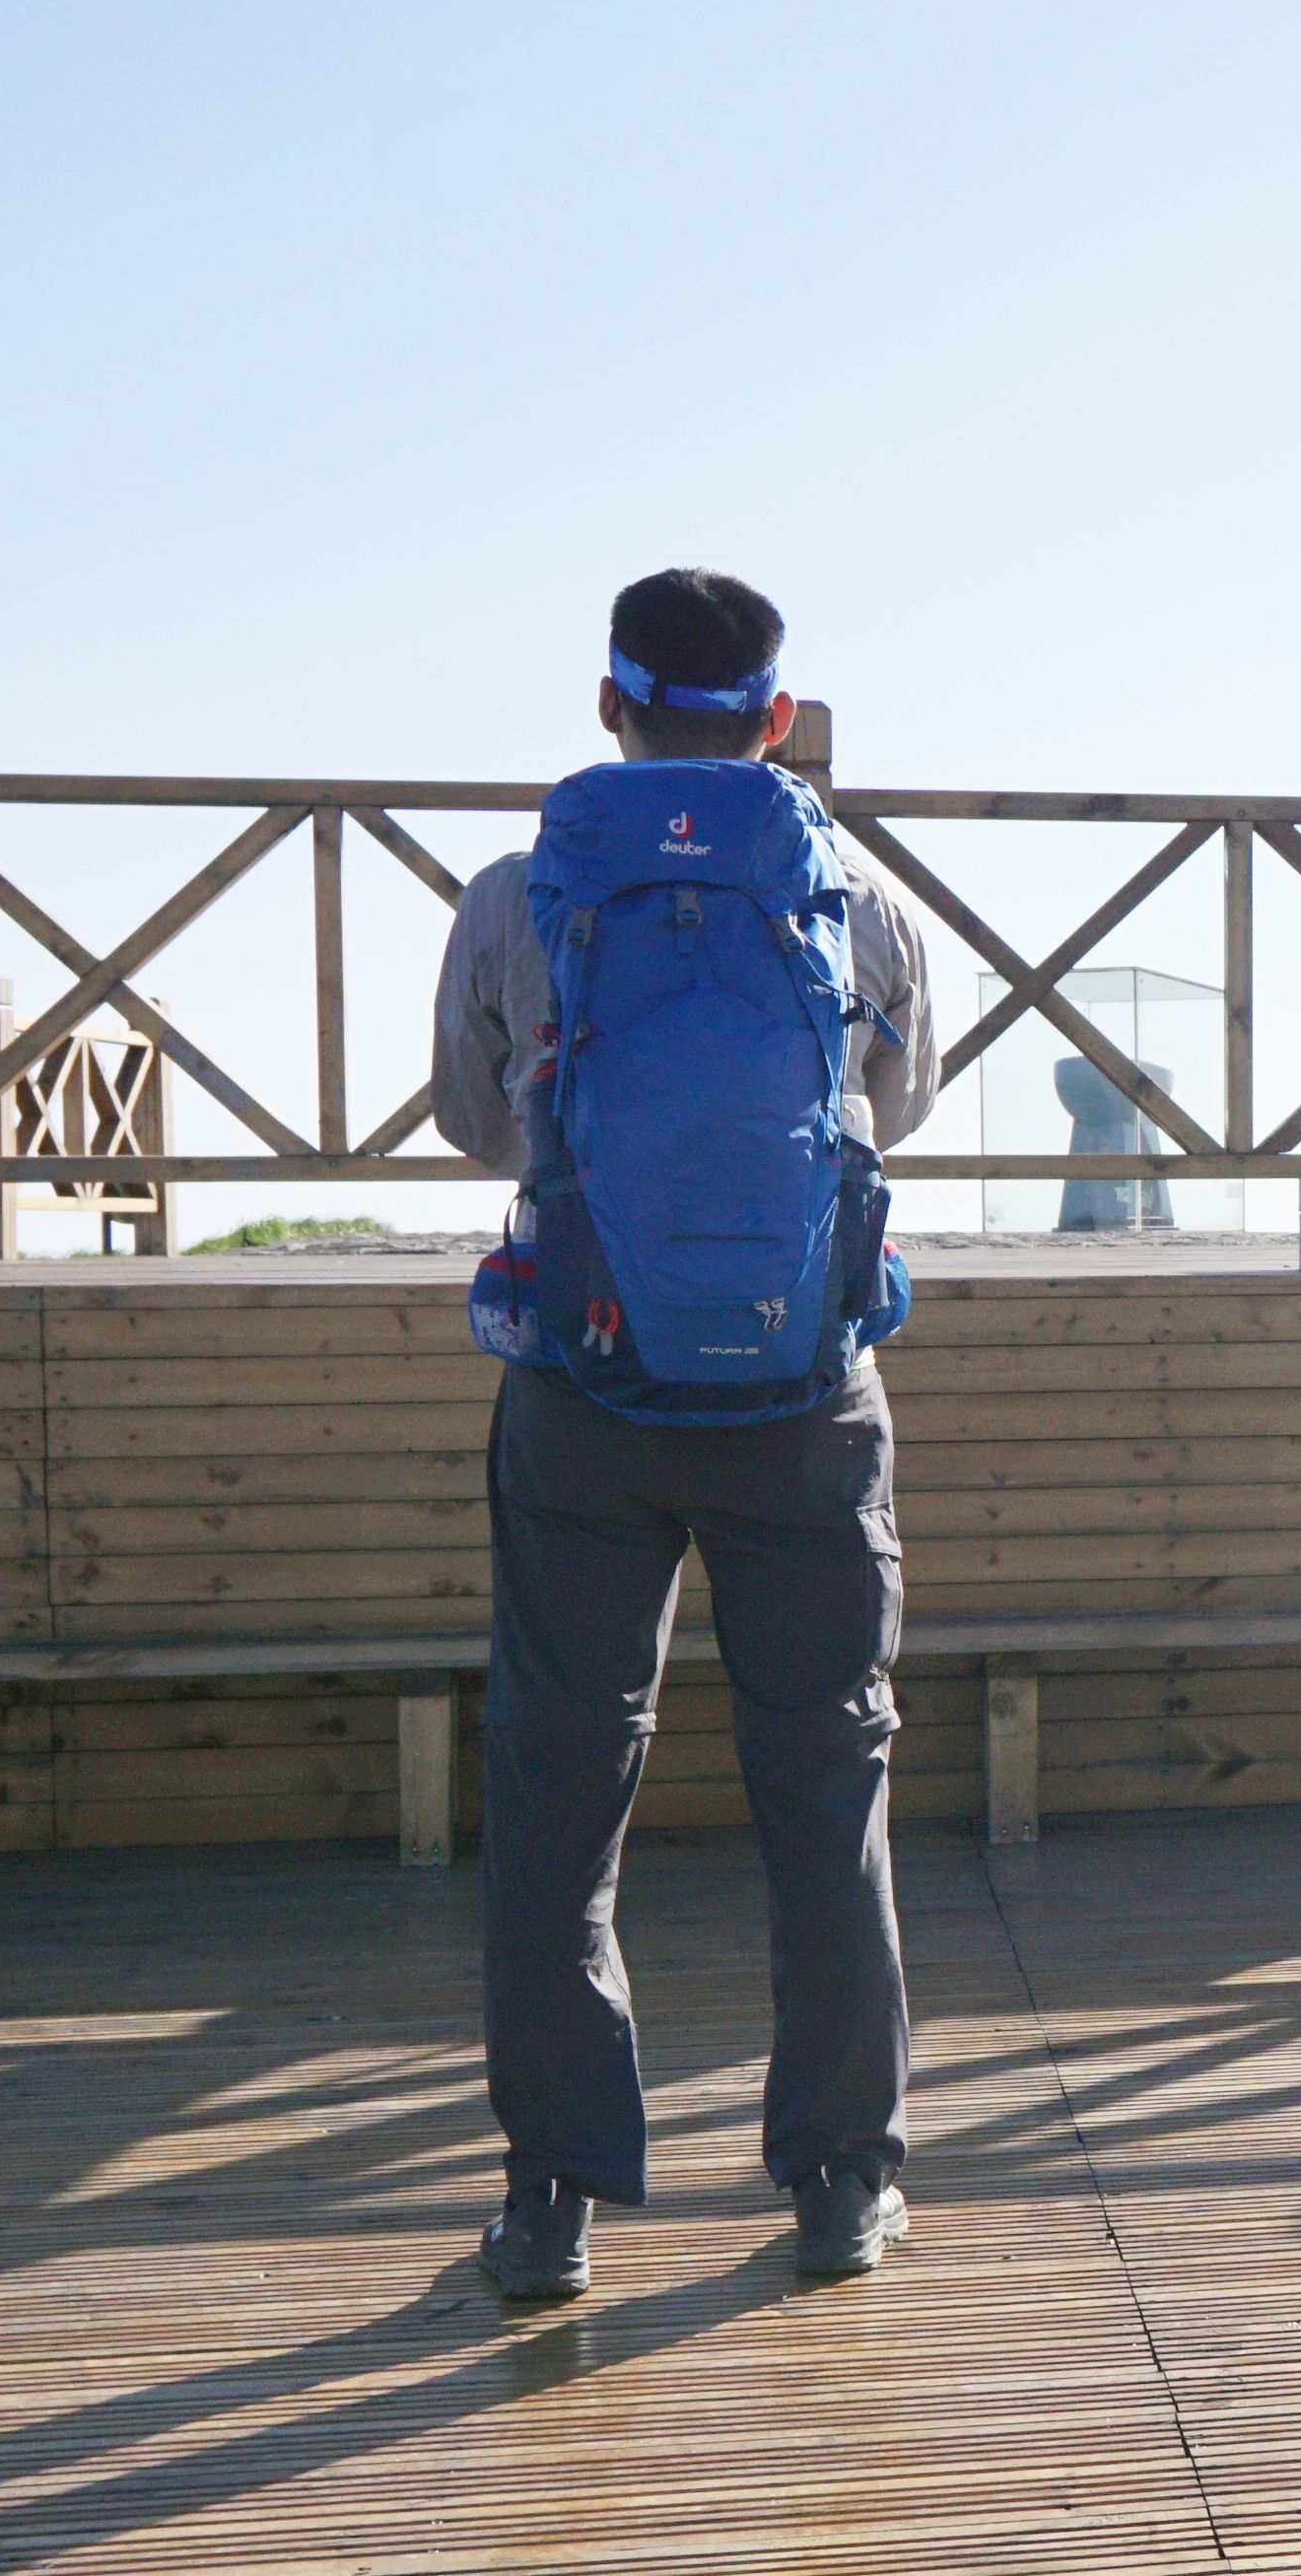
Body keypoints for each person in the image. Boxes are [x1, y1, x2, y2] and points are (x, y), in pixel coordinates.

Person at [429, 566, 941, 2296]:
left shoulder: (521, 889)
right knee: (830, 1782)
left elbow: (469, 1113)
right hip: (808, 1394)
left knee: (560, 1789)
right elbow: (901, 1108)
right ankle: (840, 2178)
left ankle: (553, 2198)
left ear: (609, 707)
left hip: (582, 1384)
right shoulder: (856, 902)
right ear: (776, 721)